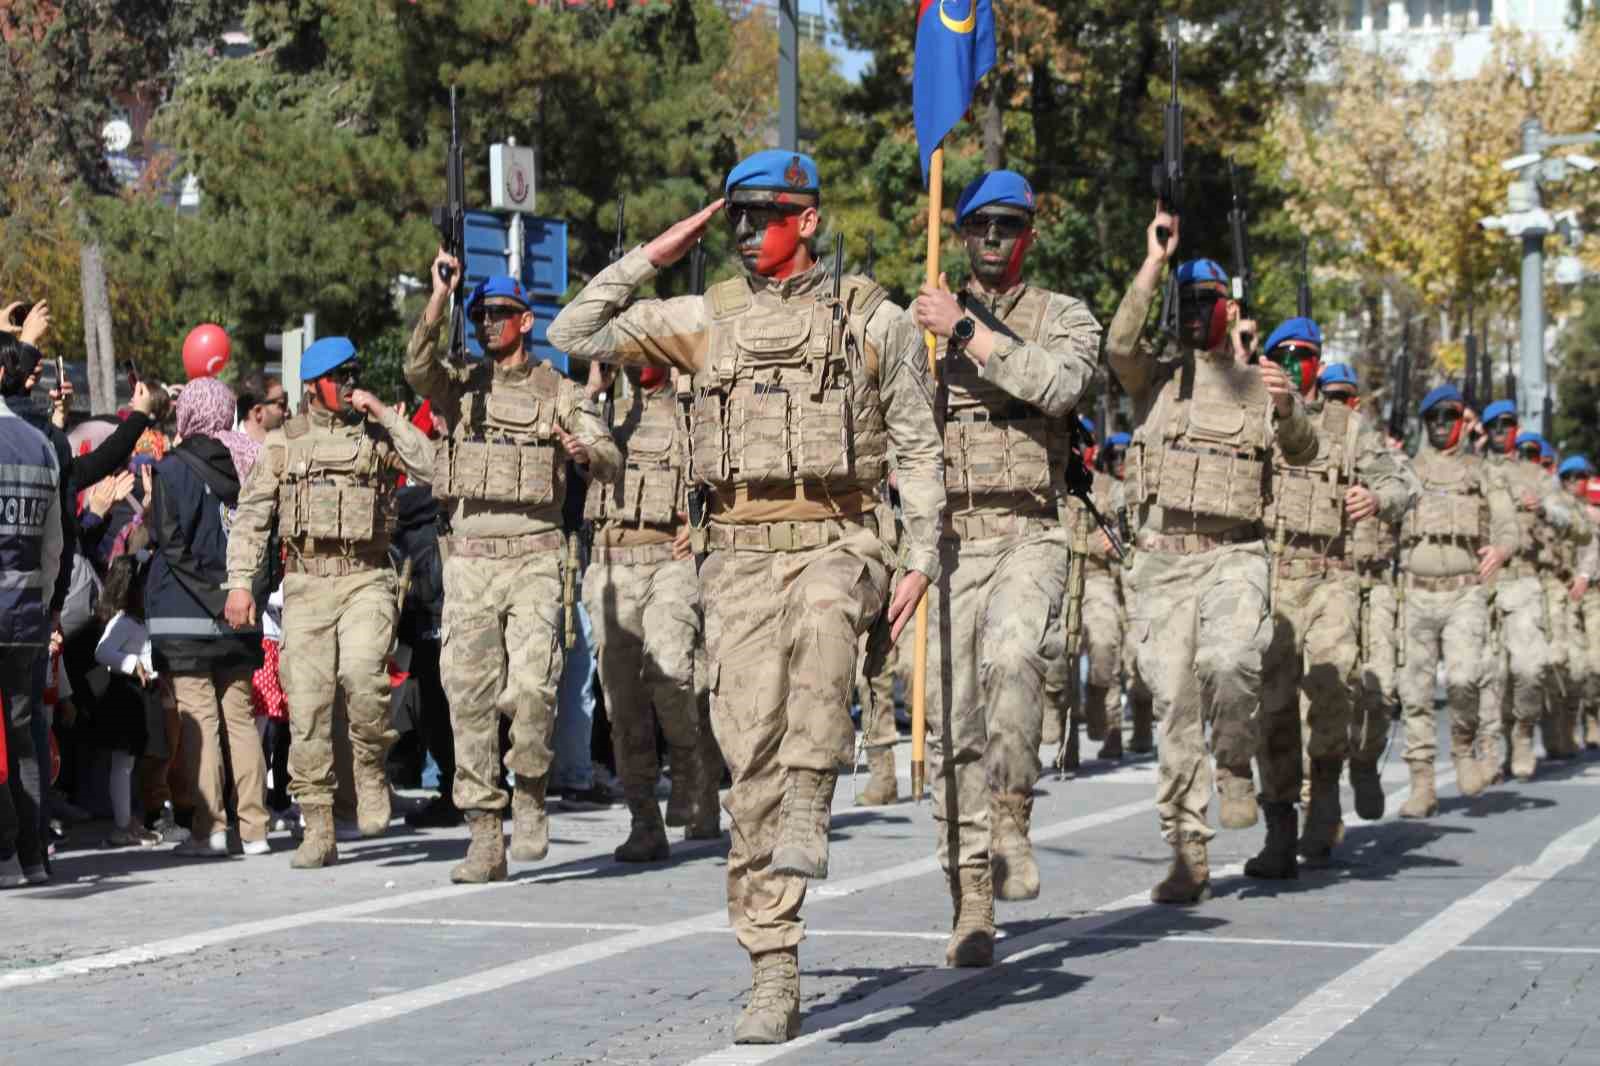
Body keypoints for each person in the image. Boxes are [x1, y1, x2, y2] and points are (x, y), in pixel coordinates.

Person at [548, 149, 944, 1043]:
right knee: (748, 767)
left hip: (840, 534)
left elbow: (918, 448)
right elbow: (572, 331)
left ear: (805, 221)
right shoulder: (705, 320)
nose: (740, 233)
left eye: (759, 216)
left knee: (827, 623)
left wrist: (918, 554)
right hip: (736, 556)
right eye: (731, 218)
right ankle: (774, 966)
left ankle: (818, 795)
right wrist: (665, 243)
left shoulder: (870, 320)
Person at [908, 168, 1099, 961]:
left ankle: (1013, 815)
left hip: (1029, 531)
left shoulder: (1064, 316)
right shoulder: (919, 323)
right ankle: (972, 899)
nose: (993, 239)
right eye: (980, 226)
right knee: (955, 726)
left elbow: (1059, 387)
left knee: (1016, 655)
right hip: (953, 539)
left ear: (1029, 234)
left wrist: (967, 334)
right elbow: (893, 425)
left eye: (1008, 227)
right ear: (959, 235)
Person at [1103, 207, 1316, 904]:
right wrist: (1154, 259)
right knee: (1173, 703)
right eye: (1185, 302)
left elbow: (1304, 450)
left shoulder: (1260, 384)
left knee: (1231, 663)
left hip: (1235, 555)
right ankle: (1187, 848)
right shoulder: (1155, 379)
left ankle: (1234, 765)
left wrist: (1289, 410)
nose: (1196, 313)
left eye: (1208, 302)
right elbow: (1118, 341)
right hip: (1164, 560)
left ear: (1229, 308)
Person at [407, 269, 619, 884]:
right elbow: (417, 368)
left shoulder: (559, 390)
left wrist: (584, 452)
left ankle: (529, 792)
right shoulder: (462, 387)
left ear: (526, 321)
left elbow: (609, 454)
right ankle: (483, 834)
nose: (487, 324)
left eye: (499, 313)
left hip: (535, 555)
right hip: (470, 559)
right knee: (468, 699)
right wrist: (440, 292)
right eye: (479, 316)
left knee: (533, 689)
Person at [225, 338, 433, 868]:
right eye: (339, 376)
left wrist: (385, 414)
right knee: (309, 707)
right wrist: (240, 583)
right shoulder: (283, 443)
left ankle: (369, 768)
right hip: (307, 584)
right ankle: (317, 825)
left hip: (366, 578)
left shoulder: (377, 435)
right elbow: (251, 518)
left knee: (365, 677)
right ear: (313, 386)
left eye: (354, 374)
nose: (349, 384)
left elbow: (431, 466)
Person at [1241, 323, 1416, 879]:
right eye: (1283, 356)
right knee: (1272, 708)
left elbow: (1402, 484)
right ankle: (1278, 827)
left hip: (1331, 576)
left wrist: (1377, 496)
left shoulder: (1349, 427)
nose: (1294, 365)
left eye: (1305, 357)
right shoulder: (1252, 418)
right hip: (1270, 576)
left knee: (1329, 689)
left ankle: (1325, 801)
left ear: (1319, 362)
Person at [582, 360, 721, 861]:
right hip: (611, 566)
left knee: (673, 673)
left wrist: (703, 529)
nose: (638, 360)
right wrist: (592, 390)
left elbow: (725, 481)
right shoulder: (601, 415)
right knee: (623, 704)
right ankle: (645, 820)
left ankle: (690, 771)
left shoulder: (694, 413)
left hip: (670, 561)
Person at [143, 376, 269, 858]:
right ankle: (255, 829)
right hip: (242, 612)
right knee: (240, 718)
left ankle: (211, 828)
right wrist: (244, 591)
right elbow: (265, 540)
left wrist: (213, 598)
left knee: (199, 720)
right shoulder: (253, 461)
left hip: (186, 614)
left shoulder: (172, 468)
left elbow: (171, 545)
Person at [1395, 386, 1519, 817]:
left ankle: (1464, 745)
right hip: (1415, 593)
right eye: (1434, 418)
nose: (1442, 425)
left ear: (1462, 422)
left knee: (1465, 678)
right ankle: (1422, 782)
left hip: (1464, 591)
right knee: (1415, 692)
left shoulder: (1482, 472)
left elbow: (1506, 525)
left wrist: (1501, 550)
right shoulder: (1406, 471)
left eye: (1449, 416)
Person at [1477, 401, 1585, 779]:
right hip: (1481, 580)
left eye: (1507, 424)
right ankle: (1492, 746)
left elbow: (1574, 521)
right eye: (1493, 425)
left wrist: (1542, 509)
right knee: (1490, 672)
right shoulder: (1475, 469)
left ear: (1516, 428)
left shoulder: (1536, 476)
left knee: (1529, 667)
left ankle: (1523, 730)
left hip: (1524, 579)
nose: (1500, 431)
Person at [1320, 364, 1404, 819]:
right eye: (1328, 395)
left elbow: (1407, 491)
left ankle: (1366, 761)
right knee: (1331, 687)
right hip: (1332, 581)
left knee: (1380, 688)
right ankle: (1321, 794)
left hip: (1376, 585)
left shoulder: (1377, 450)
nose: (1335, 405)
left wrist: (1378, 498)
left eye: (1343, 397)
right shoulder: (1306, 444)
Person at [0, 342, 63, 887]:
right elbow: (53, 548)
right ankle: (33, 857)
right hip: (26, 614)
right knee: (23, 736)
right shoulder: (40, 446)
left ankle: (2, 856)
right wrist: (41, 606)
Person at [92, 545, 164, 848]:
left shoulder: (139, 620)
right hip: (127, 695)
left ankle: (129, 820)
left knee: (132, 763)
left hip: (143, 694)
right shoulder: (123, 621)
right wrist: (131, 663)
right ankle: (121, 825)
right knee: (123, 763)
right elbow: (102, 651)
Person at [1558, 457, 1600, 748]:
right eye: (1568, 477)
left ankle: (1594, 715)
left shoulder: (1594, 505)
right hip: (1566, 593)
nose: (1574, 482)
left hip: (1596, 593)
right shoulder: (1556, 510)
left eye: (1580, 476)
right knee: (1573, 664)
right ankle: (1572, 721)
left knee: (1597, 662)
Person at [238, 377, 288, 445]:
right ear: (258, 412)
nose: (286, 413)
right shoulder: (228, 451)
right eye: (282, 405)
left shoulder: (282, 445)